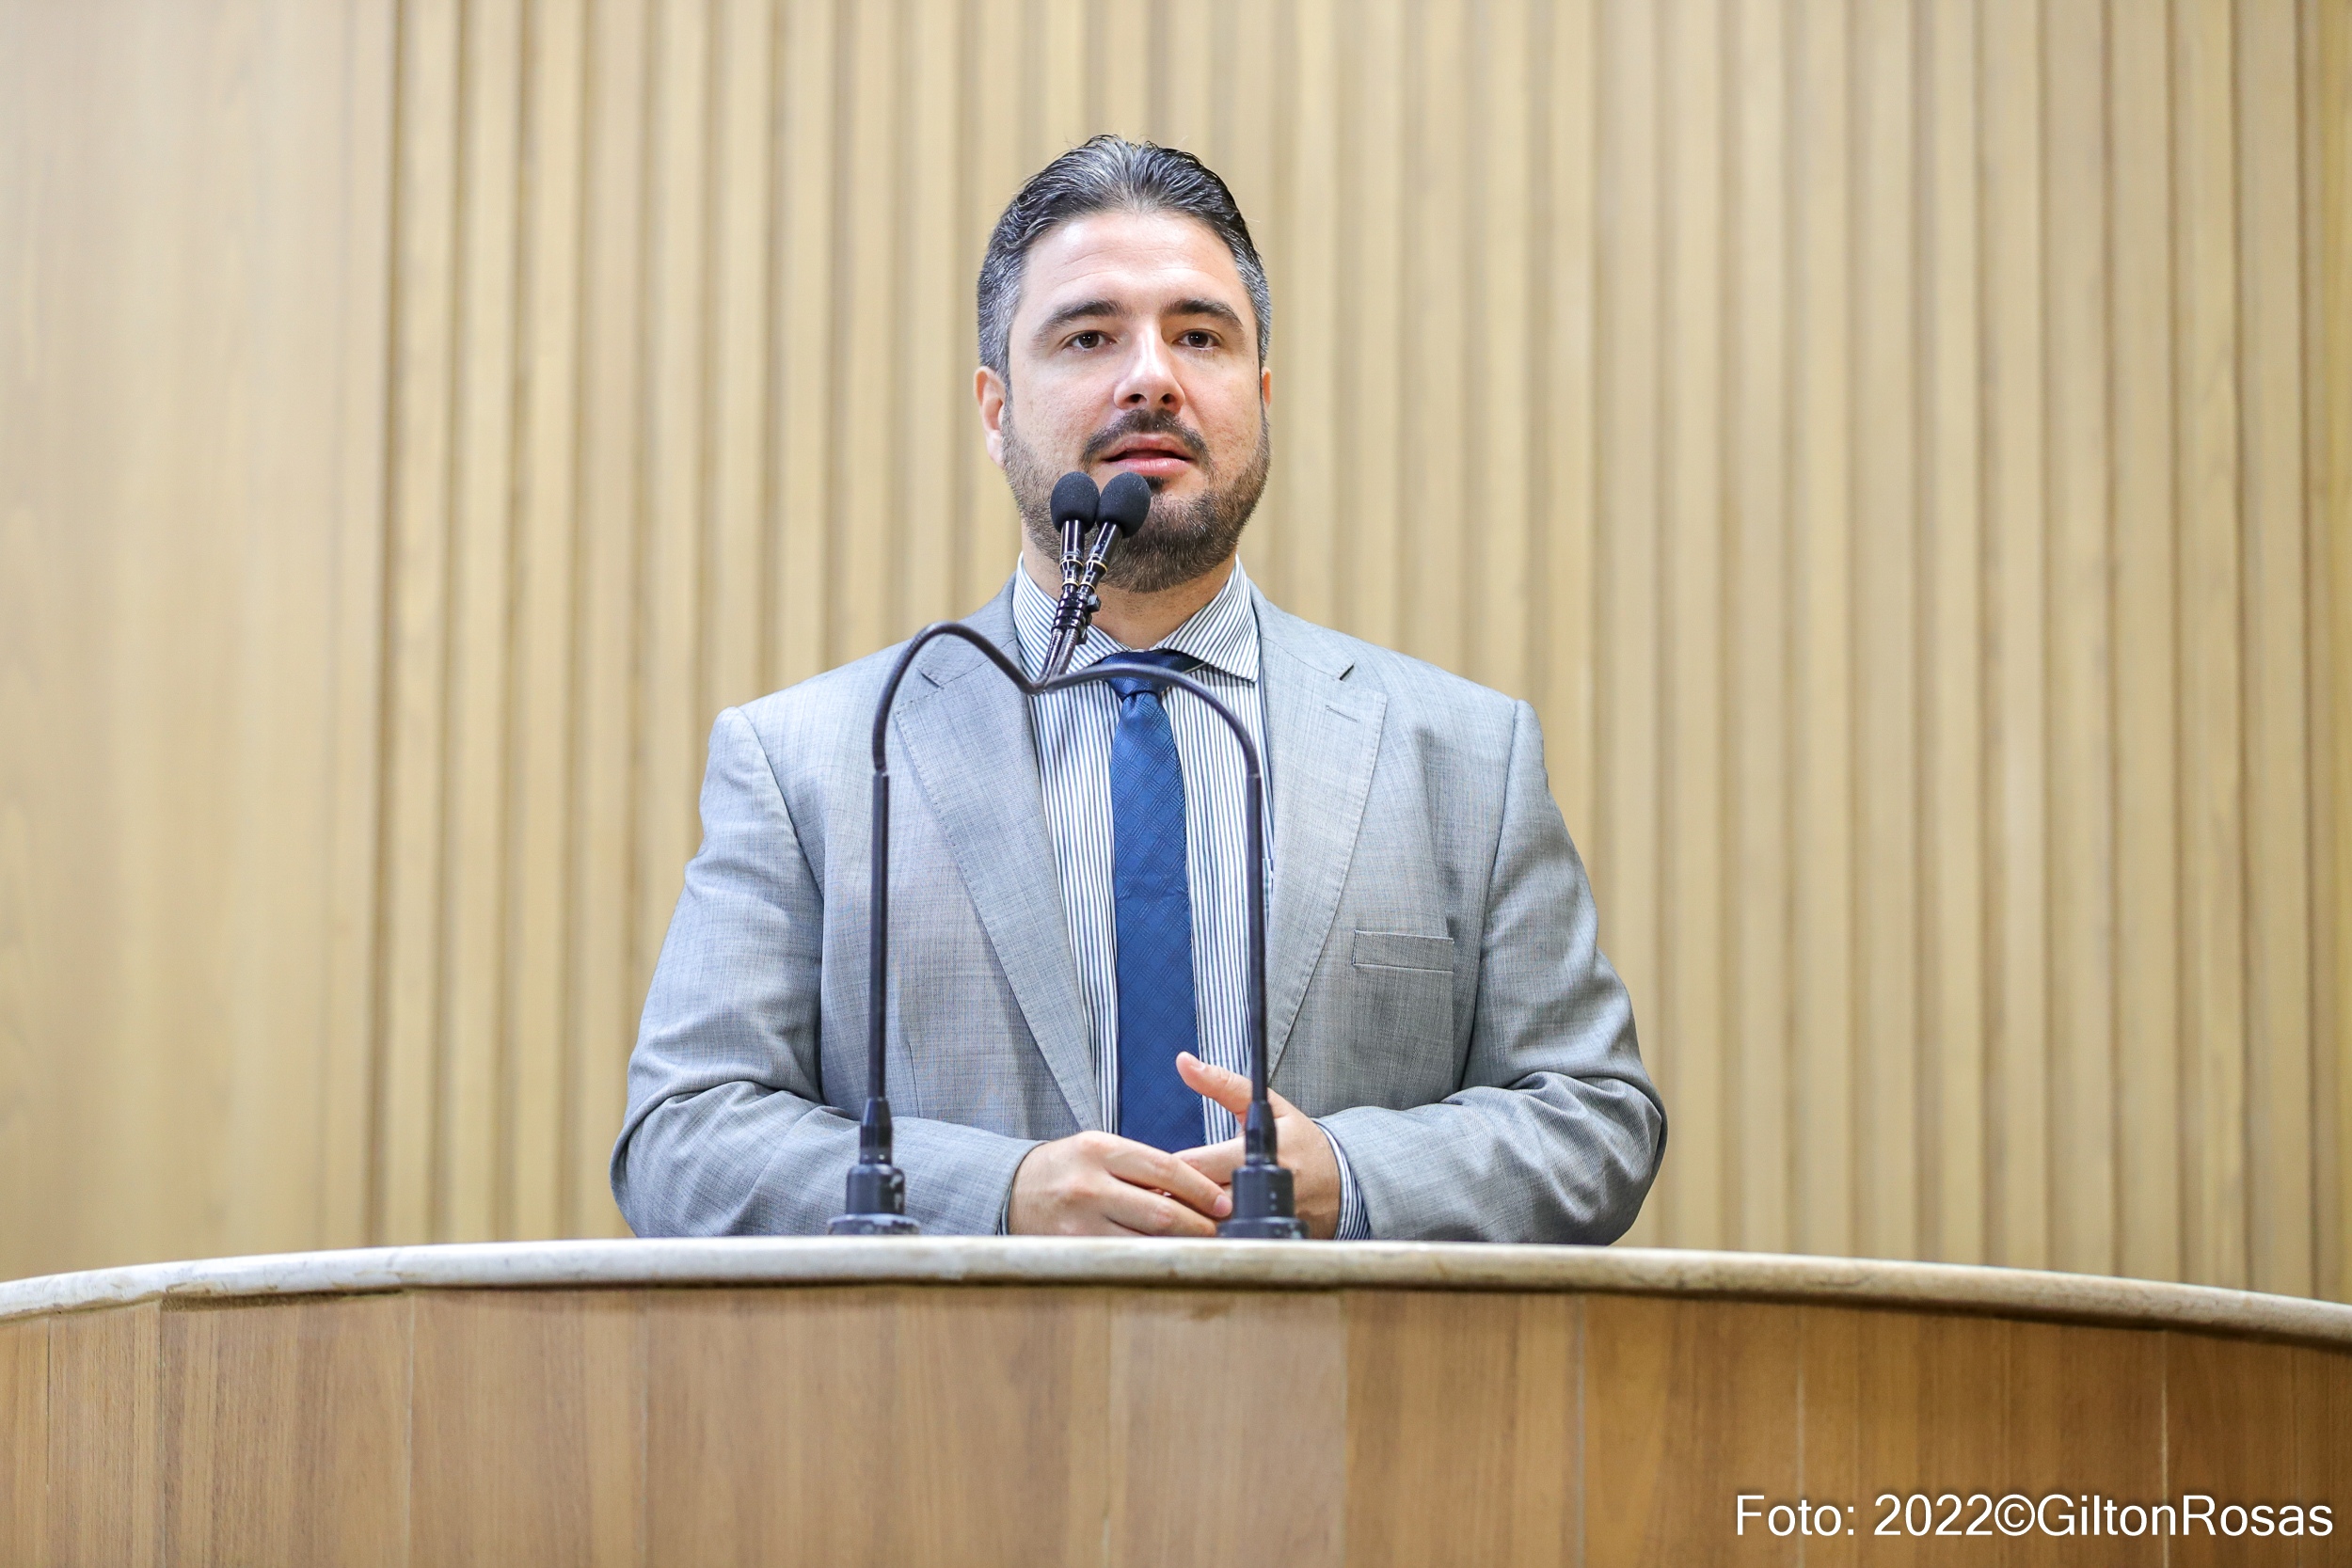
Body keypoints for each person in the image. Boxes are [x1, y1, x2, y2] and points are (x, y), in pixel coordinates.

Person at [612, 136, 1663, 1241]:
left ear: (1261, 397)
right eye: (1088, 336)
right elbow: (682, 1138)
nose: (1151, 377)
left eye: (1199, 336)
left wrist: (1351, 1176)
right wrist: (998, 1198)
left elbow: (1595, 1118)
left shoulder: (1466, 757)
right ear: (994, 409)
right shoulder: (813, 760)